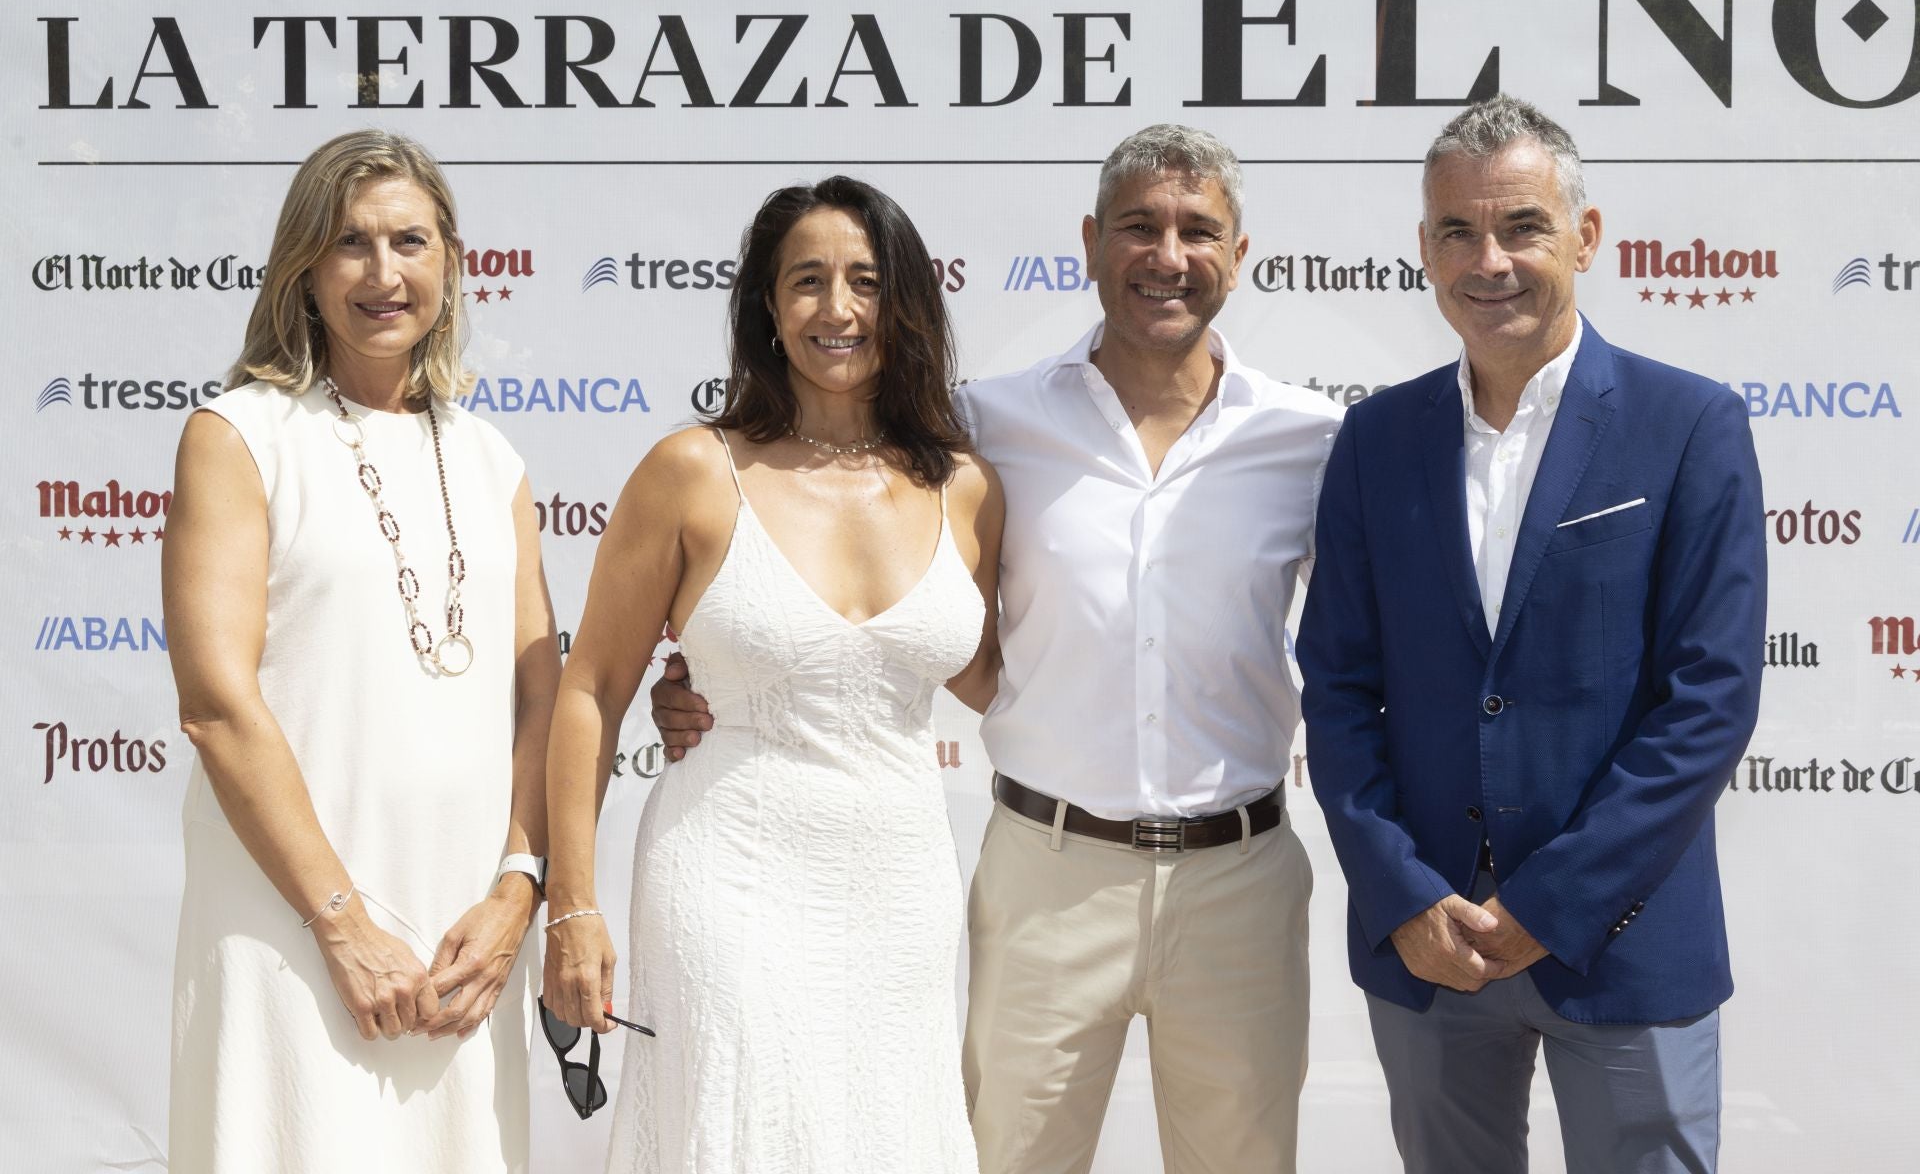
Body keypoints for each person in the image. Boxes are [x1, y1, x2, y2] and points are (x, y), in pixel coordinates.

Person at [654, 125, 1341, 1174]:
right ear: (1089, 243)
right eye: (1138, 226)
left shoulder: (1312, 439)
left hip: (1239, 878)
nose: (1167, 253)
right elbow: (849, 568)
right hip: (1045, 874)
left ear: (1240, 253)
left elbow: (1380, 650)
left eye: (1198, 229)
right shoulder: (981, 427)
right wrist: (714, 677)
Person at [1297, 95, 1765, 1174]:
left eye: (1521, 226)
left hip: (1624, 940)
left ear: (1585, 237)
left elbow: (1710, 701)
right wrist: (1404, 893)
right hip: (1432, 947)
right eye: (1457, 231)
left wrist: (1550, 903)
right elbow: (1337, 684)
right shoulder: (1375, 438)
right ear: (1424, 249)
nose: (1489, 259)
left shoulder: (1689, 426)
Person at [541, 176, 1003, 1172]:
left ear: (908, 301)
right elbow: (589, 692)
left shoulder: (964, 487)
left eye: (866, 281)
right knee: (732, 1125)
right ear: (765, 305)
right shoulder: (692, 470)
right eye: (807, 281)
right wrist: (572, 906)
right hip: (727, 871)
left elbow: (1001, 674)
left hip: (900, 884)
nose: (837, 309)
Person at [163, 131, 558, 1173]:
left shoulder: (492, 457)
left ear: (451, 260)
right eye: (351, 244)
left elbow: (540, 693)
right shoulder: (239, 433)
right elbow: (214, 701)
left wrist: (517, 890)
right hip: (292, 925)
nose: (385, 274)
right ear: (304, 266)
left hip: (460, 942)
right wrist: (340, 920)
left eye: (410, 242)